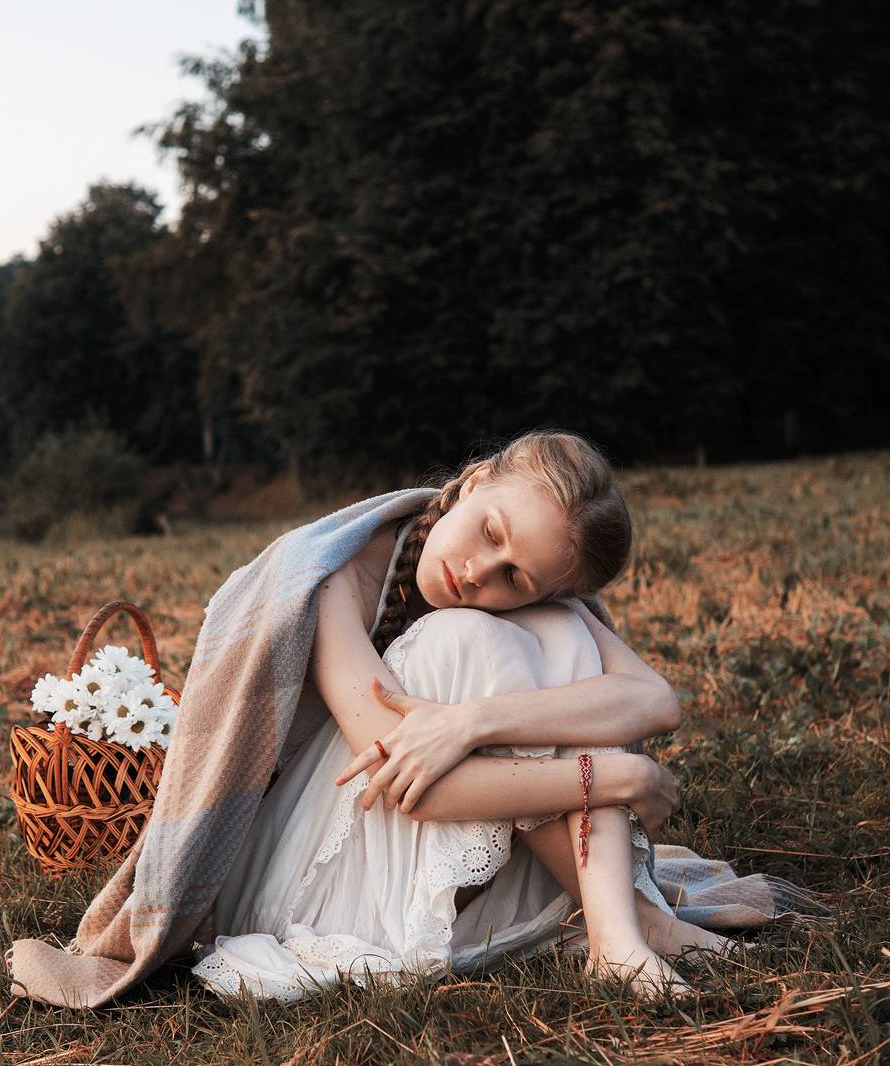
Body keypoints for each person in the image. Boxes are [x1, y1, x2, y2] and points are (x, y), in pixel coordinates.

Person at [189, 429, 796, 1006]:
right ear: (475, 482)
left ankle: (619, 937)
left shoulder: (540, 607)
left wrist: (471, 722)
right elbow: (413, 789)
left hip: (411, 867)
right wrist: (617, 778)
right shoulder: (332, 576)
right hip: (296, 886)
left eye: (514, 577)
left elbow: (653, 701)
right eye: (489, 532)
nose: (478, 571)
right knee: (468, 639)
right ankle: (629, 917)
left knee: (563, 633)